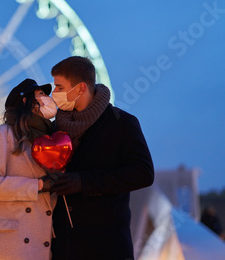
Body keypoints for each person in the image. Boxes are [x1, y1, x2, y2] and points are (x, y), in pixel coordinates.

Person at [45, 56, 154, 260]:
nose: (55, 94)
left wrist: (84, 182)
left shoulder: (122, 123)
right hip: (63, 246)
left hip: (106, 245)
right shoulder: (54, 128)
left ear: (80, 88)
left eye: (59, 87)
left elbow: (143, 173)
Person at [0, 79, 58, 260]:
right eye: (41, 94)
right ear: (25, 101)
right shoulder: (1, 134)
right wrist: (37, 185)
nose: (48, 99)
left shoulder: (52, 138)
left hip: (41, 237)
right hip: (9, 242)